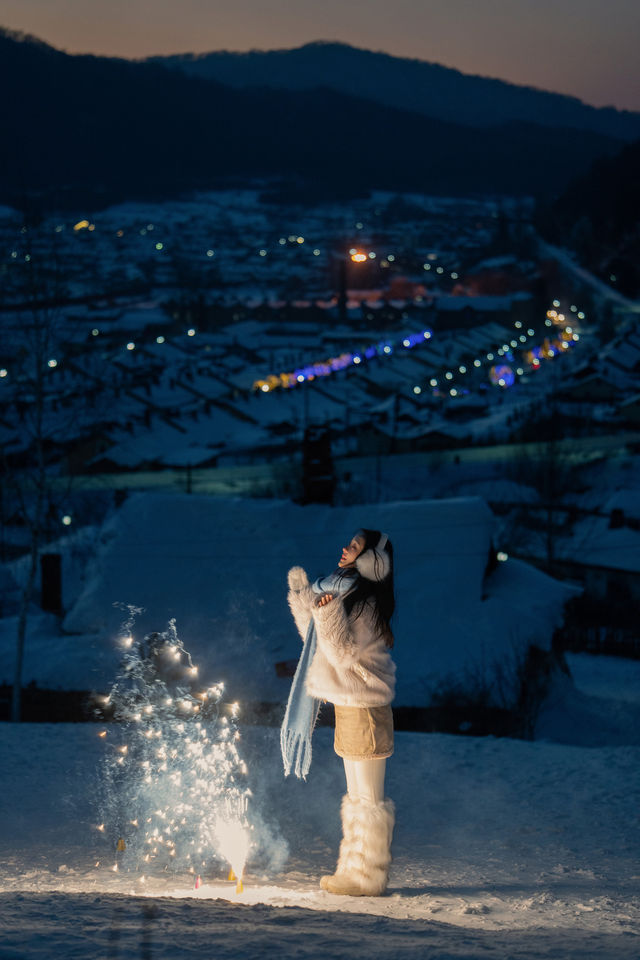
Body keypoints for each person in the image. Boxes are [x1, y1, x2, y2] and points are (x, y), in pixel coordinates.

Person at [287, 528, 396, 896]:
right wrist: (306, 602)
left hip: (366, 709)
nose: (345, 548)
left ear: (371, 561)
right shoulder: (346, 593)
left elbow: (342, 653)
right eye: (348, 542)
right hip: (351, 706)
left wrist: (327, 610)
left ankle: (368, 876)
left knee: (367, 799)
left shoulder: (367, 606)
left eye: (355, 546)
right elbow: (317, 645)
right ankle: (353, 871)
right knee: (356, 798)